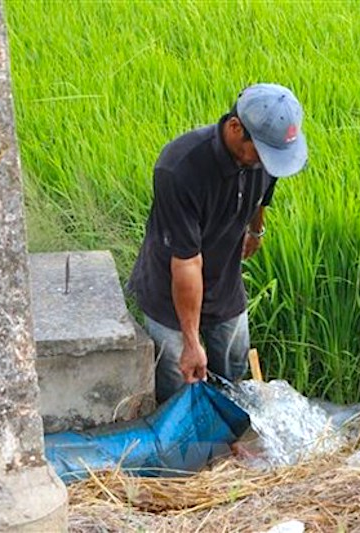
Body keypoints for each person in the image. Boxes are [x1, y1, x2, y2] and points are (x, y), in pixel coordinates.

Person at [127, 83, 308, 403]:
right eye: (264, 155)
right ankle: (189, 450)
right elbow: (186, 262)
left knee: (232, 376)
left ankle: (229, 441)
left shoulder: (265, 158)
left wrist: (255, 231)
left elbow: (262, 197)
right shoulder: (179, 167)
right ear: (236, 128)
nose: (269, 164)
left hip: (224, 283)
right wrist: (191, 341)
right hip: (171, 290)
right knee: (180, 387)